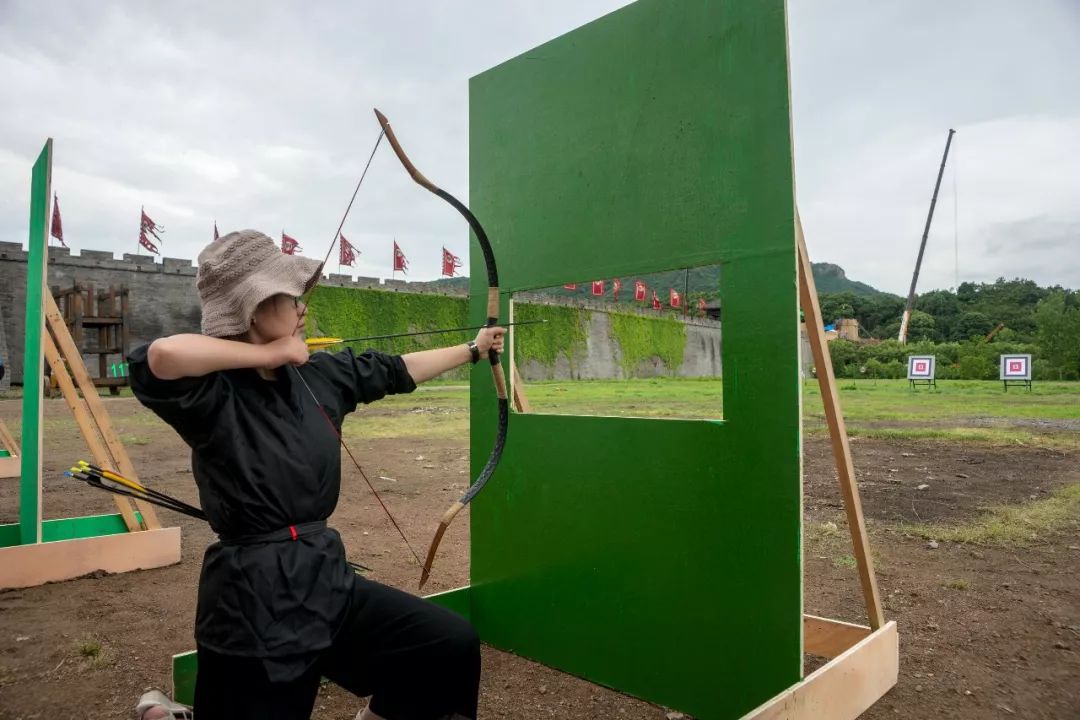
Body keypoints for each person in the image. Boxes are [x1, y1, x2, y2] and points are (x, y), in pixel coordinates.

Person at [129, 230, 503, 720]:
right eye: (290, 297)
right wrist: (268, 356)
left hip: (322, 576)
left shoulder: (320, 375)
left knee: (443, 646)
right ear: (256, 309)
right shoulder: (209, 393)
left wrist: (472, 350)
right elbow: (159, 358)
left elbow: (397, 369)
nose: (303, 307)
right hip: (251, 598)